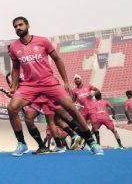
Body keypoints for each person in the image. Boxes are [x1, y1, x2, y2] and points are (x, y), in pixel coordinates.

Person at [6, 17, 103, 156]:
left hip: (48, 82)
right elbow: (16, 68)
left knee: (71, 108)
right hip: (29, 85)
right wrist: (14, 87)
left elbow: (57, 59)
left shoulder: (43, 41)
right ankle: (22, 144)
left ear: (28, 25)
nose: (18, 28)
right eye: (15, 26)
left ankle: (91, 142)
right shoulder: (14, 47)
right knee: (11, 108)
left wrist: (66, 81)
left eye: (21, 25)